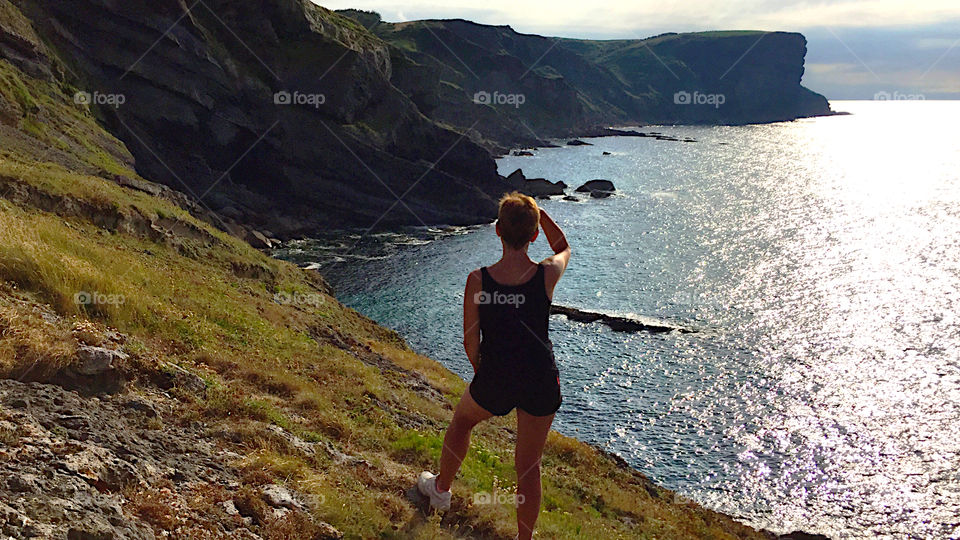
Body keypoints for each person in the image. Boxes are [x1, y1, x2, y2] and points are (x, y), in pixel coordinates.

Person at [417, 192, 572, 540]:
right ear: (533, 235)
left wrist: (481, 373)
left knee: (462, 422)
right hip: (540, 379)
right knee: (529, 467)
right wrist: (541, 215)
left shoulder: (479, 280)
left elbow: (470, 340)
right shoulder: (545, 275)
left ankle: (440, 490)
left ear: (498, 230)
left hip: (496, 377)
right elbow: (564, 247)